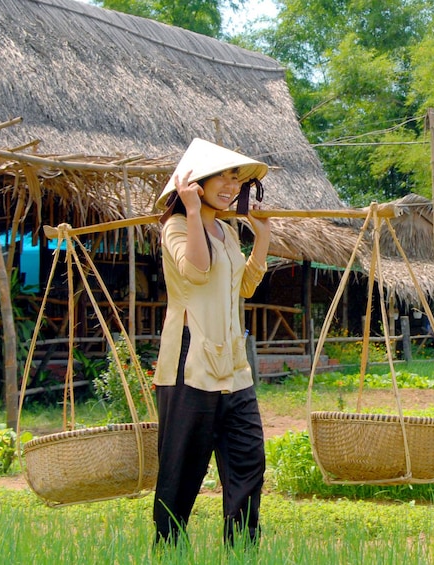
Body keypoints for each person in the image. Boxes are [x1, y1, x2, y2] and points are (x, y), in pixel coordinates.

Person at [151, 138, 271, 547]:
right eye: (221, 176)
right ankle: (167, 548)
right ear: (195, 181)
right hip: (191, 361)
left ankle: (240, 550)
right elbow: (197, 272)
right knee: (182, 470)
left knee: (248, 460)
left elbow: (247, 287)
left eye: (236, 178)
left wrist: (263, 236)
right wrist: (193, 211)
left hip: (234, 366)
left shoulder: (228, 232)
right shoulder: (177, 226)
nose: (230, 185)